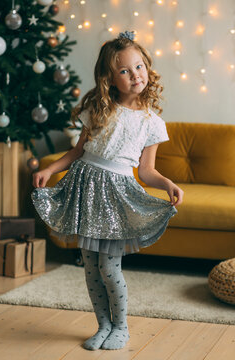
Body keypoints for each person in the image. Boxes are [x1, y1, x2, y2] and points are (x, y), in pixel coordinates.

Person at [32, 30, 184, 351]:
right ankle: (102, 325)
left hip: (116, 197)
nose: (135, 75)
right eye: (125, 71)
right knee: (90, 267)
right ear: (110, 79)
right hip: (84, 189)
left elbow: (146, 171)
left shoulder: (151, 122)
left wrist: (167, 183)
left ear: (147, 67)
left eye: (139, 67)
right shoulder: (98, 109)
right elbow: (76, 154)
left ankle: (121, 326)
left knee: (108, 267)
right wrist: (48, 169)